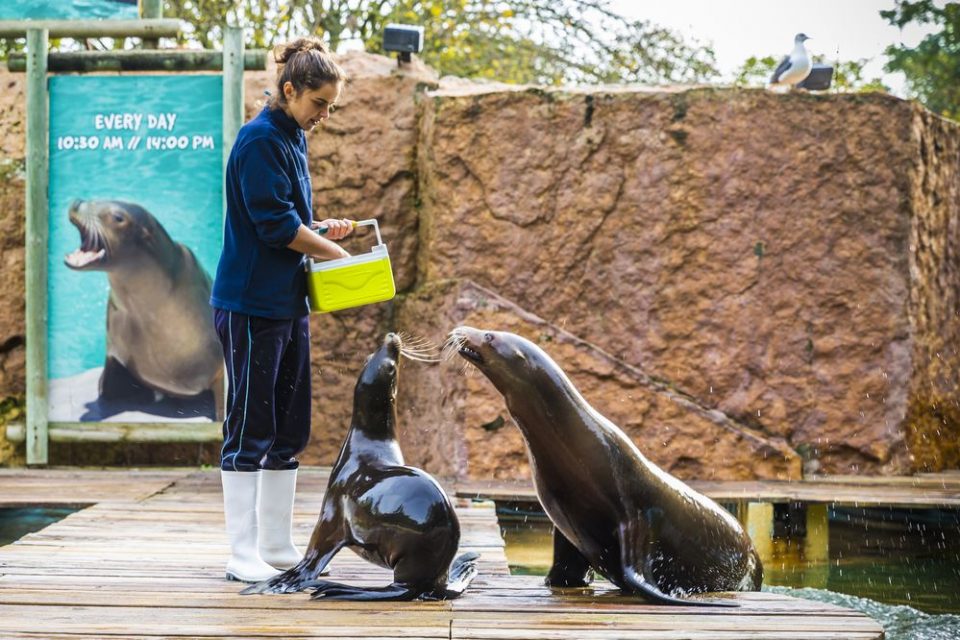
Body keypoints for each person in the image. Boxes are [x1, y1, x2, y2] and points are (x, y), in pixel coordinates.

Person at [210, 37, 353, 583]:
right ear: (289, 90)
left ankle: (274, 542)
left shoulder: (292, 135)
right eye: (318, 103)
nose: (323, 115)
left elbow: (289, 218)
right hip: (250, 305)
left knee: (289, 426)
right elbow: (271, 226)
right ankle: (240, 551)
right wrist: (334, 250)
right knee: (249, 424)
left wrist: (321, 230)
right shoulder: (259, 139)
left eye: (330, 107)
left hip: (288, 303)